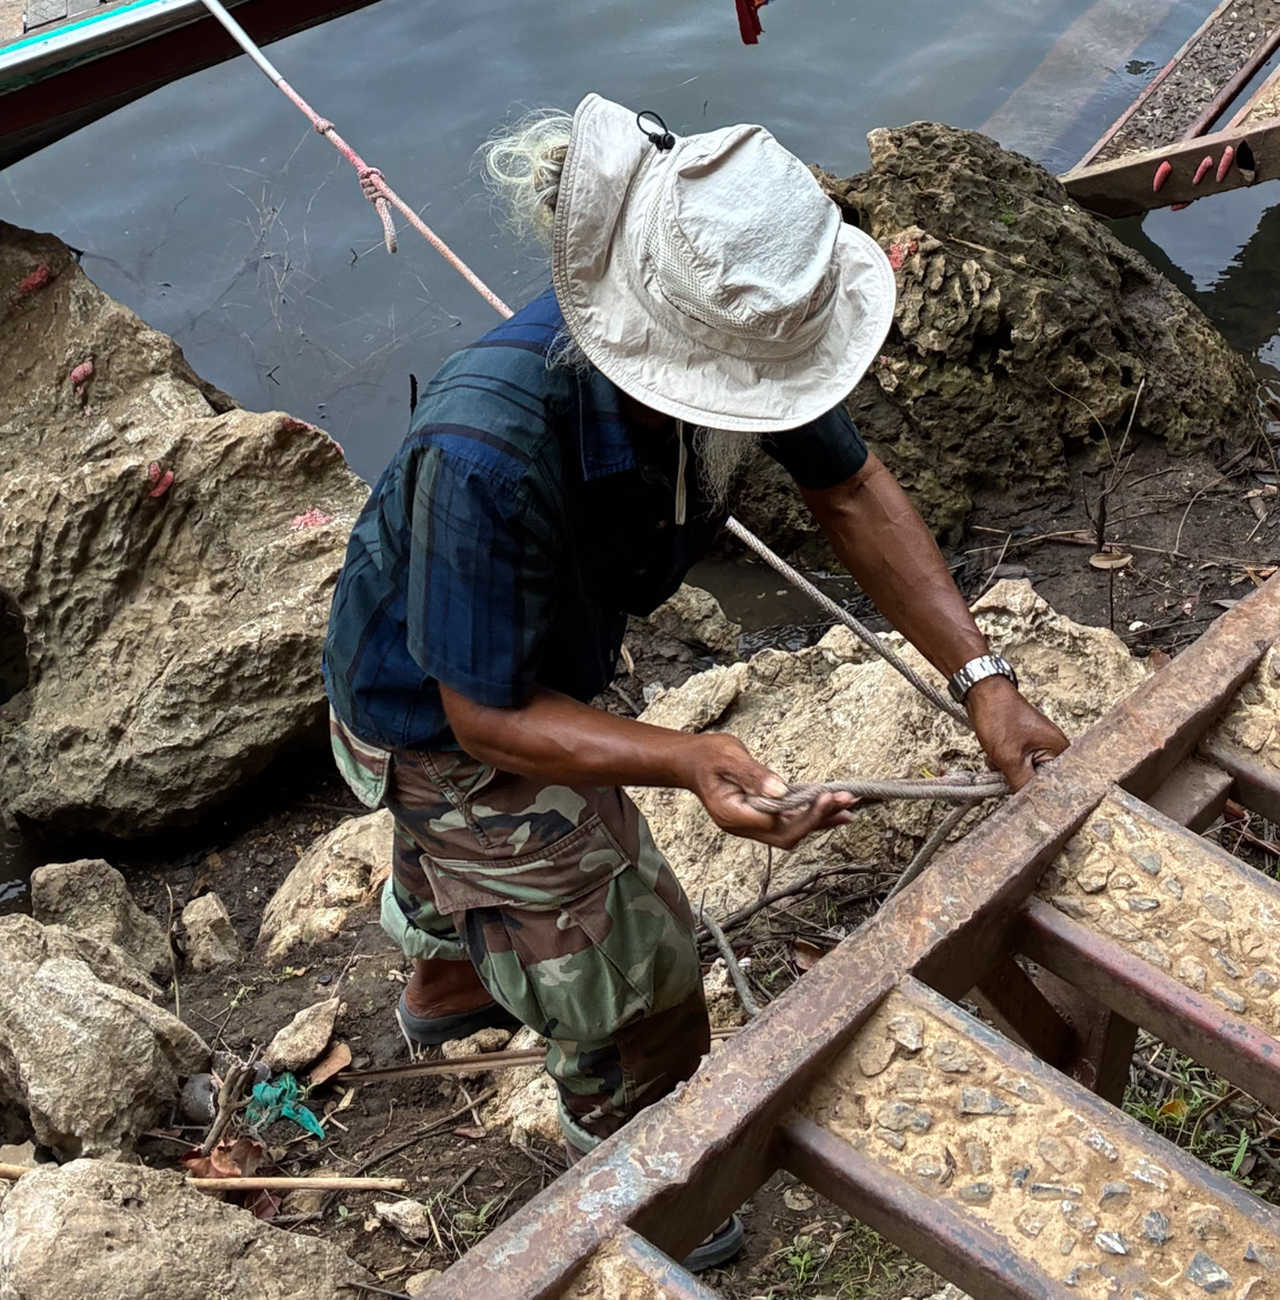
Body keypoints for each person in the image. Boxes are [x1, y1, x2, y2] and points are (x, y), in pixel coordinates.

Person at [323, 96, 1066, 1268]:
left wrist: (982, 676)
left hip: (529, 655)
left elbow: (851, 489)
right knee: (640, 967)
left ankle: (448, 979)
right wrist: (684, 756)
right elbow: (486, 714)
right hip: (438, 709)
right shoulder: (486, 449)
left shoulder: (724, 314)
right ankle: (637, 1156)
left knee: (475, 864)